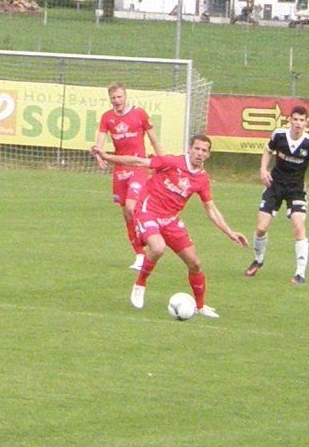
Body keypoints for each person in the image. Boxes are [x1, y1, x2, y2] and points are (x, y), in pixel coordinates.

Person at [91, 135, 248, 317]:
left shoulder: (202, 179)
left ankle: (200, 306)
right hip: (148, 210)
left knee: (195, 264)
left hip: (170, 219)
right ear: (190, 149)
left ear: (208, 155)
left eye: (204, 150)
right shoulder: (172, 162)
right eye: (197, 148)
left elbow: (210, 209)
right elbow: (138, 161)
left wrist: (230, 232)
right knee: (158, 247)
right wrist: (107, 156)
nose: (199, 153)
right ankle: (140, 283)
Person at [244, 105, 309, 284]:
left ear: (306, 123)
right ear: (290, 120)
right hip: (274, 186)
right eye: (295, 119)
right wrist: (263, 169)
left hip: (296, 189)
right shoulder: (279, 135)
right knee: (261, 228)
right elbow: (267, 151)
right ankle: (258, 260)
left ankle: (300, 273)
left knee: (298, 227)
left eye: (302, 120)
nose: (298, 123)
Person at [95, 83, 164, 271]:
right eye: (113, 98)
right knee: (127, 214)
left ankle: (150, 237)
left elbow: (154, 140)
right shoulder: (107, 118)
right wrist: (98, 154)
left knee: (132, 207)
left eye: (119, 97)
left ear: (126, 96)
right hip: (120, 170)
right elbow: (100, 141)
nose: (117, 101)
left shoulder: (139, 114)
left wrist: (163, 162)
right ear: (110, 99)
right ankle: (140, 255)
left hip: (138, 166)